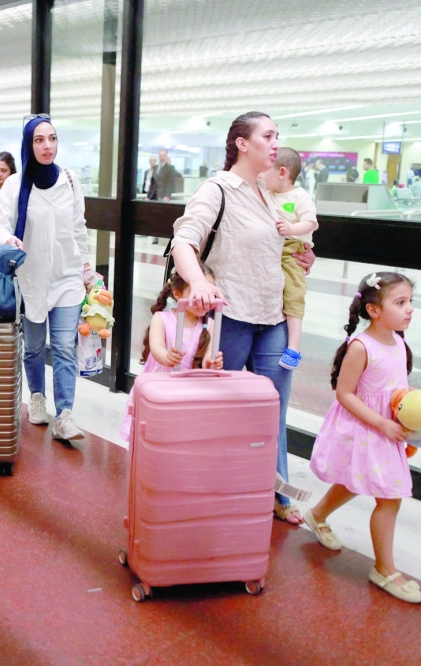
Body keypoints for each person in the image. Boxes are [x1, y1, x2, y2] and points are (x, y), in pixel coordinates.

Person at [169, 111, 316, 526]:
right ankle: (214, 486)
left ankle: (278, 490)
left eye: (277, 136)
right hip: (230, 315)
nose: (275, 143)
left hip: (272, 316)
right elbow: (183, 242)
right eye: (267, 136)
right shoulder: (218, 189)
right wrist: (198, 281)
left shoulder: (269, 194)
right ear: (242, 144)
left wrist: (304, 258)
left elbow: (273, 250)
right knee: (222, 410)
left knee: (273, 409)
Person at [303, 271, 421, 604]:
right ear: (373, 310)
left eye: (411, 302)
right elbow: (345, 393)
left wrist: (413, 404)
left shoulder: (398, 341)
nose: (409, 309)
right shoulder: (361, 346)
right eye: (400, 302)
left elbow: (393, 386)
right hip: (366, 428)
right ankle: (384, 569)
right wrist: (382, 424)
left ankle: (317, 515)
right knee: (389, 496)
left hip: (386, 429)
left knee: (356, 481)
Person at [0, 114, 92, 442]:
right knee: (33, 348)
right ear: (28, 144)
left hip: (67, 277)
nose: (47, 145)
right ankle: (36, 396)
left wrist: (87, 268)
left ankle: (64, 415)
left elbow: (79, 228)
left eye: (52, 138)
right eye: (39, 140)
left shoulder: (71, 180)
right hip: (31, 278)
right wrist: (7, 240)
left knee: (63, 346)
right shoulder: (15, 185)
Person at [119, 264, 223, 442]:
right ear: (177, 294)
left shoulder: (211, 324)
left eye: (210, 294)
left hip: (189, 392)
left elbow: (208, 357)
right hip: (159, 387)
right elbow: (156, 345)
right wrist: (166, 357)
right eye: (198, 294)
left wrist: (212, 364)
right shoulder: (162, 318)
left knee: (179, 436)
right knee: (151, 433)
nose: (206, 300)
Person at [261, 147, 317, 371]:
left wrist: (291, 228)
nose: (262, 176)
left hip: (292, 249)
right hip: (271, 250)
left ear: (282, 173)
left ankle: (294, 347)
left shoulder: (299, 196)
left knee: (294, 294)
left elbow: (310, 222)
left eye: (266, 171)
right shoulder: (269, 192)